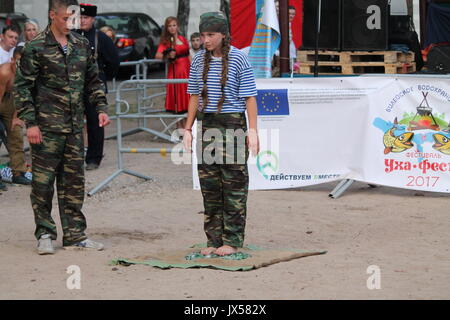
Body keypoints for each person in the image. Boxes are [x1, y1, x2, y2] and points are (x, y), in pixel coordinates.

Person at [14, 0, 111, 255]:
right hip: (45, 129)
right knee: (43, 185)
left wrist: (101, 107)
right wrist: (31, 123)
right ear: (52, 15)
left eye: (74, 18)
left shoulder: (81, 45)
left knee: (73, 183)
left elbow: (93, 80)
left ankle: (75, 234)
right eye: (67, 17)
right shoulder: (36, 47)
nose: (72, 22)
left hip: (73, 129)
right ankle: (45, 233)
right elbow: (22, 88)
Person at [183, 12, 259, 256]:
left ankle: (233, 239)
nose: (205, 40)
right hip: (208, 125)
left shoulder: (239, 59)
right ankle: (213, 240)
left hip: (233, 123)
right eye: (203, 35)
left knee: (234, 186)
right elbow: (194, 96)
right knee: (210, 186)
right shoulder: (198, 61)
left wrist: (253, 131)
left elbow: (250, 97)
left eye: (211, 35)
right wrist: (188, 129)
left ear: (223, 35)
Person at [77, 3, 119, 170]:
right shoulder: (71, 35)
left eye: (85, 17)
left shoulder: (100, 38)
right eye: (79, 17)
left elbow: (114, 61)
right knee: (74, 122)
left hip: (94, 86)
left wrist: (103, 78)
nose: (82, 20)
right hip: (75, 86)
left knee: (96, 122)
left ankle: (94, 158)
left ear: (93, 19)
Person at [0, 45, 31, 186]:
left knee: (16, 134)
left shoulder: (26, 73)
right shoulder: (4, 72)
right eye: (18, 62)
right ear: (12, 60)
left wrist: (15, 118)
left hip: (11, 99)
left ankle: (18, 172)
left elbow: (20, 96)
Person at [155, 16, 190, 121]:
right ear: (166, 28)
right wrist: (167, 56)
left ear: (177, 26)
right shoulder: (166, 42)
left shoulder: (183, 39)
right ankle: (180, 129)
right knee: (178, 103)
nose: (172, 28)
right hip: (176, 71)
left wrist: (194, 68)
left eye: (174, 25)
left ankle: (190, 129)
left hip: (187, 70)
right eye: (169, 26)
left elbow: (188, 55)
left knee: (190, 99)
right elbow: (157, 56)